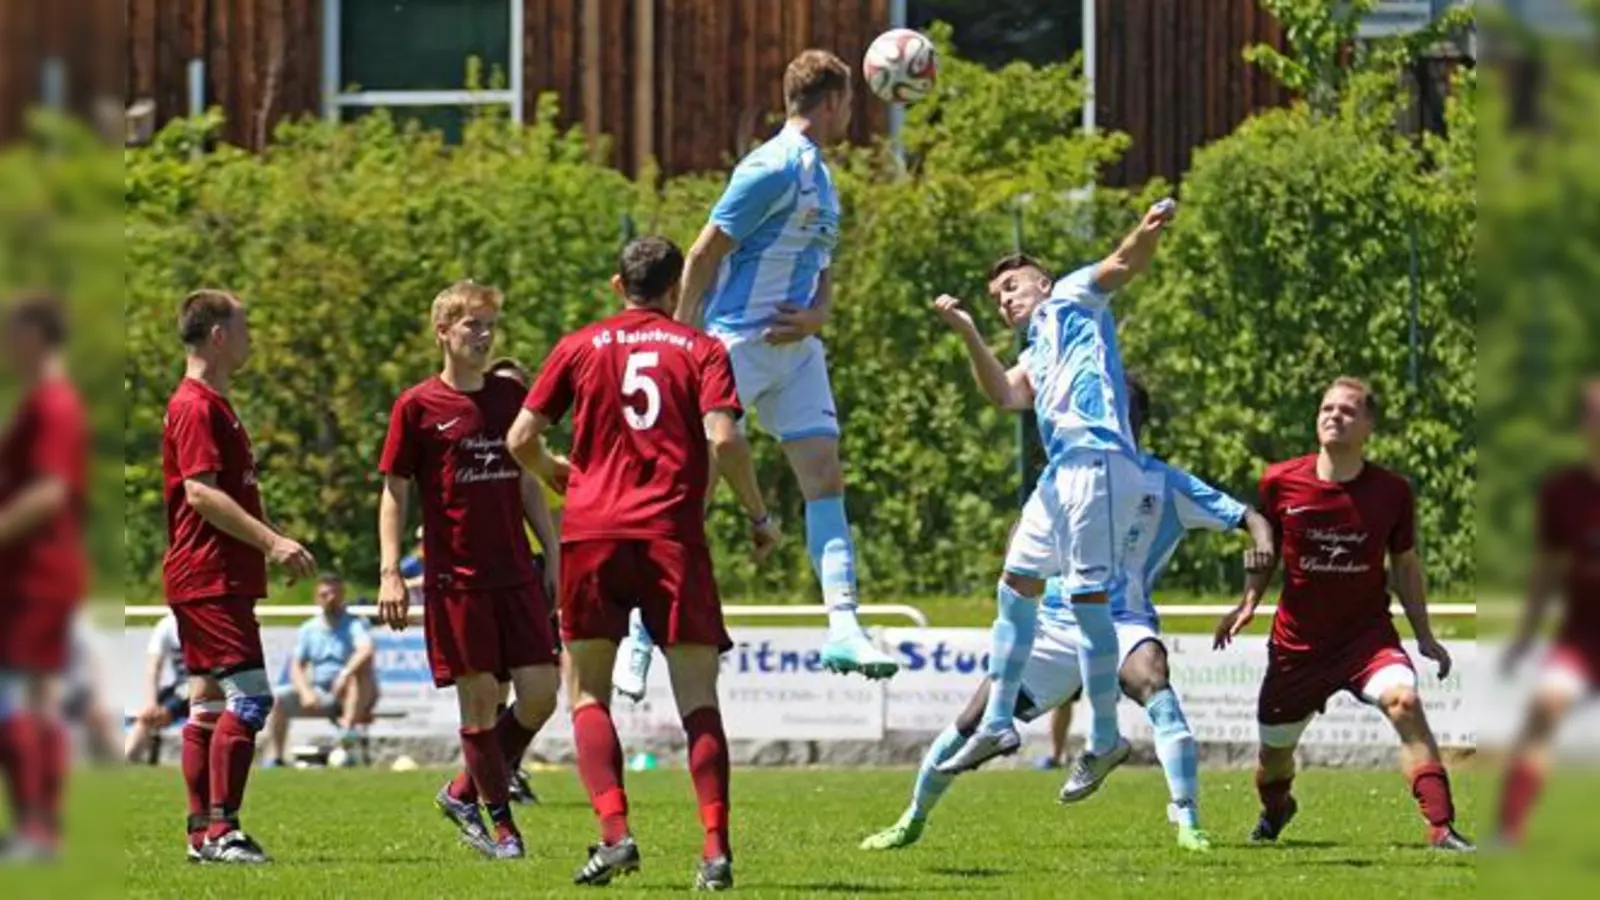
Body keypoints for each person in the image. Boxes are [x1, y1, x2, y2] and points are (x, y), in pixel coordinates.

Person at [862, 375, 1275, 853]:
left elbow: (1252, 518)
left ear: (1136, 419)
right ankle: (911, 819)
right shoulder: (1065, 473)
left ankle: (1188, 822)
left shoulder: (1165, 483)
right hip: (1055, 626)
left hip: (1123, 623)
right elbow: (1021, 537)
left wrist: (1257, 570)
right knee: (972, 722)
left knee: (1155, 682)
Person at [509, 235, 781, 889]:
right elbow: (725, 437)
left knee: (588, 693)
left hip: (593, 535)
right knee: (697, 700)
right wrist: (757, 514)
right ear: (675, 290)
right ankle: (714, 851)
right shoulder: (702, 349)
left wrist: (557, 475)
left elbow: (520, 438)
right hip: (670, 537)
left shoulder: (579, 346)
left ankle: (614, 836)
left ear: (616, 285)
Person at [933, 200, 1177, 777]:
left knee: (1088, 597)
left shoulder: (1071, 297)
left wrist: (1145, 230)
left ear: (1042, 283)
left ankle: (1105, 735)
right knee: (1017, 577)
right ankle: (998, 720)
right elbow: (1004, 395)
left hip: (1098, 460)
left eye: (1013, 287)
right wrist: (968, 331)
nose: (1005, 299)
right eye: (997, 298)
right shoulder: (1033, 353)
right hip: (1061, 473)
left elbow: (1121, 263)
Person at [673, 49, 893, 681]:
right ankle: (640, 625)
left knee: (825, 478)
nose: (852, 114)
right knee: (699, 488)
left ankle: (845, 626)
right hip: (735, 343)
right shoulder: (771, 166)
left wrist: (819, 315)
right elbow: (705, 250)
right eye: (850, 103)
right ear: (830, 103)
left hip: (795, 352)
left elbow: (821, 268)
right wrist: (684, 338)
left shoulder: (823, 177)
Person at [1213, 377, 1474, 852]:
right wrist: (1248, 601)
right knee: (1273, 760)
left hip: (1367, 640)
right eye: (1327, 408)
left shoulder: (1393, 491)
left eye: (1348, 411)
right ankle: (1277, 808)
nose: (1334, 416)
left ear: (1369, 425)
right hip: (1299, 647)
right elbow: (1264, 547)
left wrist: (1425, 636)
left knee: (1405, 703)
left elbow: (1407, 565)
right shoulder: (1280, 480)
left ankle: (1441, 827)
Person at [376, 281, 561, 861]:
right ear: (443, 332)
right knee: (478, 702)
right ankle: (502, 827)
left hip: (515, 573)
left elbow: (529, 481)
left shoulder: (512, 402)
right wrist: (388, 570)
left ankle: (462, 790)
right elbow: (393, 491)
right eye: (471, 326)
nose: (482, 335)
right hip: (456, 578)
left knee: (541, 695)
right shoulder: (417, 406)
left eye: (488, 326)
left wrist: (552, 551)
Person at [161, 289, 318, 863]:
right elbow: (201, 493)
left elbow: (224, 492)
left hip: (209, 574)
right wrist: (272, 541)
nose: (251, 337)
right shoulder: (198, 405)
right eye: (244, 326)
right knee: (250, 700)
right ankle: (225, 832)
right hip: (210, 575)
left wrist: (269, 536)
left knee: (205, 704)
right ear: (219, 336)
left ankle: (201, 833)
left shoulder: (211, 403)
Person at [0, 293, 89, 861]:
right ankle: (38, 827)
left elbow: (51, 491)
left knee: (24, 699)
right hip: (28, 574)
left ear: (35, 336)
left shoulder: (55, 405)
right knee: (32, 700)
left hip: (38, 576)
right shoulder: (39, 403)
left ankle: (38, 831)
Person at [1496, 378, 1600, 845]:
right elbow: (1546, 571)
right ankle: (1510, 828)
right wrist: (1524, 635)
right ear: (1584, 423)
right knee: (1543, 709)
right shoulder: (1562, 491)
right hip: (1583, 636)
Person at [263, 574, 378, 767]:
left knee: (357, 675)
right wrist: (305, 692)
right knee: (278, 699)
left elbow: (366, 650)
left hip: (355, 694)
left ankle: (346, 737)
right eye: (325, 594)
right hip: (321, 692)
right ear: (317, 598)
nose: (330, 598)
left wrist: (344, 673)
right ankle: (277, 758)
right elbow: (296, 665)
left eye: (335, 593)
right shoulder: (309, 628)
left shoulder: (356, 624)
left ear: (343, 595)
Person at [125, 611, 189, 764]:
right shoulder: (167, 625)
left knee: (166, 709)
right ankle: (126, 761)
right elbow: (154, 668)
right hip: (183, 687)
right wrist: (151, 702)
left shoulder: (209, 621)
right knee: (147, 716)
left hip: (211, 684)